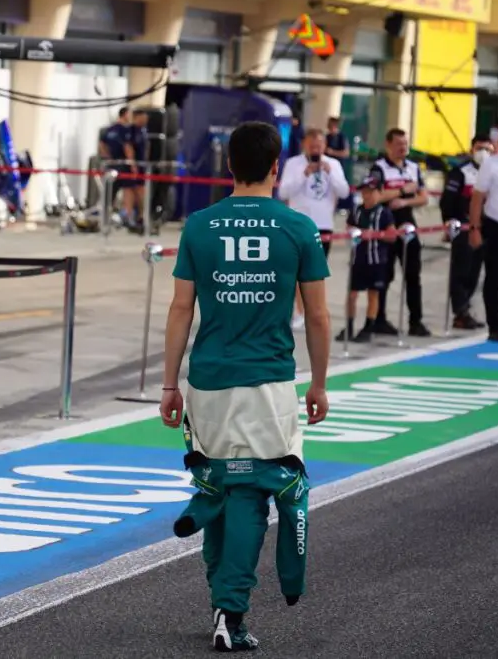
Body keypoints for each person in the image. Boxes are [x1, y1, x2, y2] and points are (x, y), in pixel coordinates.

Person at [160, 121, 331, 652]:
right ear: (277, 167)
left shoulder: (199, 226)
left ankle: (221, 598)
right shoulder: (298, 228)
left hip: (208, 382)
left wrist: (170, 384)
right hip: (268, 384)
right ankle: (231, 611)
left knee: (216, 484)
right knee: (255, 490)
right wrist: (320, 383)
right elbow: (320, 316)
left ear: (228, 166)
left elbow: (180, 309)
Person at [278, 126, 350, 329]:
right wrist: (304, 174)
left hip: (324, 225)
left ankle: (312, 311)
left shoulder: (334, 164)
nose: (315, 149)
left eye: (319, 146)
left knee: (315, 273)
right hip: (297, 225)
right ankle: (299, 312)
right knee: (296, 271)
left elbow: (344, 192)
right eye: (312, 146)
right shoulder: (294, 163)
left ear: (324, 146)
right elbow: (283, 192)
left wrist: (330, 174)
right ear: (304, 145)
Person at [368, 128, 431, 337]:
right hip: (385, 224)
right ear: (388, 145)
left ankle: (416, 321)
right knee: (384, 275)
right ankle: (379, 318)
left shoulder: (413, 167)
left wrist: (405, 200)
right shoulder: (379, 168)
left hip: (407, 223)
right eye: (398, 144)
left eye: (405, 144)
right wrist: (402, 190)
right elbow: (375, 196)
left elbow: (424, 197)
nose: (402, 148)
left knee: (413, 274)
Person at [439, 135, 492, 330]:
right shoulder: (460, 172)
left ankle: (466, 309)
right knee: (461, 270)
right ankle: (460, 311)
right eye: (480, 148)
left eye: (487, 148)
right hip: (463, 228)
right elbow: (448, 201)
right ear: (472, 149)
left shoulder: (493, 173)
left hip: (485, 229)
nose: (483, 153)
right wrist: (449, 222)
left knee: (475, 271)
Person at [337, 175, 398, 343]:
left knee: (373, 294)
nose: (367, 195)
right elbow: (348, 227)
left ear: (379, 193)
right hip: (358, 259)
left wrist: (376, 235)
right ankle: (349, 325)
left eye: (371, 192)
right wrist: (353, 232)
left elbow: (392, 235)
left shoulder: (384, 213)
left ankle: (369, 326)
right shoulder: (356, 210)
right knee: (352, 294)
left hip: (376, 260)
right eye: (364, 192)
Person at [469, 125, 498, 342]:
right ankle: (495, 326)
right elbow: (478, 197)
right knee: (494, 277)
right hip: (497, 226)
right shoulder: (491, 164)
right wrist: (475, 228)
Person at [98, 107, 140, 231]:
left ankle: (105, 217)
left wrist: (107, 157)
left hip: (112, 165)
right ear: (125, 114)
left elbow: (102, 145)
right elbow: (128, 147)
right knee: (128, 191)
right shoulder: (125, 130)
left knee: (110, 193)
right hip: (123, 165)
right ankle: (127, 217)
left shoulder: (110, 129)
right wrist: (132, 164)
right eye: (129, 114)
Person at [324, 117, 354, 213]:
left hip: (339, 166)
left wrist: (333, 152)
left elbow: (346, 153)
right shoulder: (327, 137)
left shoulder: (342, 137)